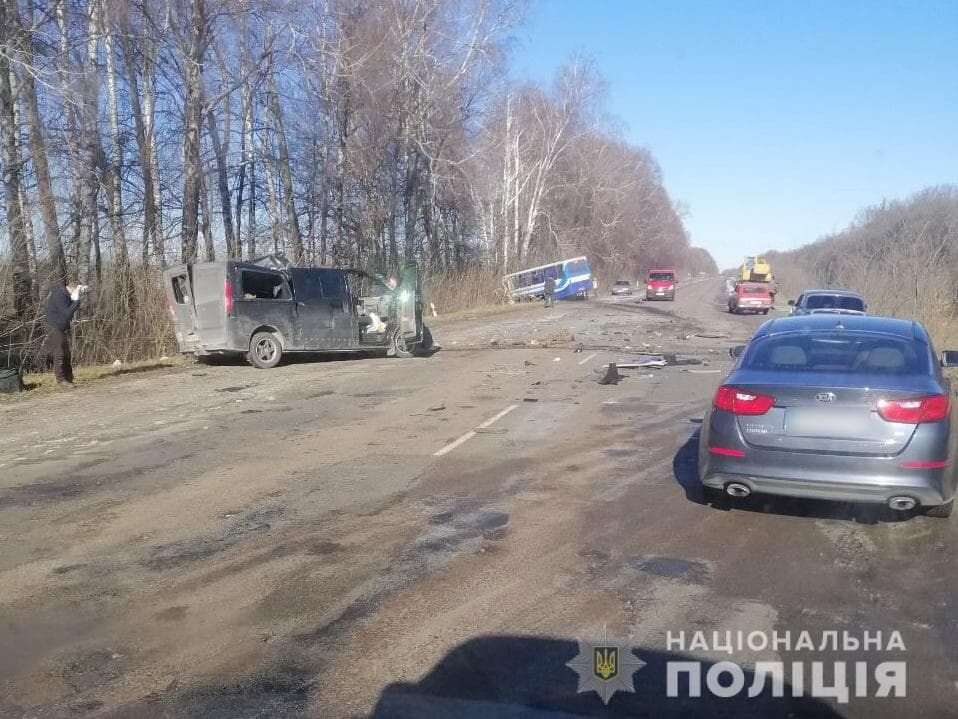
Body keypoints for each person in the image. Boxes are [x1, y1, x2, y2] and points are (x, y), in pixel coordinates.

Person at [45, 279, 84, 387]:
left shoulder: (66, 294)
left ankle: (69, 378)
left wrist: (74, 300)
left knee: (67, 353)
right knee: (60, 353)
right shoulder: (60, 295)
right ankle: (61, 380)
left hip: (60, 327)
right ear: (74, 288)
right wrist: (76, 302)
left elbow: (67, 310)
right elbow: (66, 314)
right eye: (78, 290)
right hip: (54, 326)